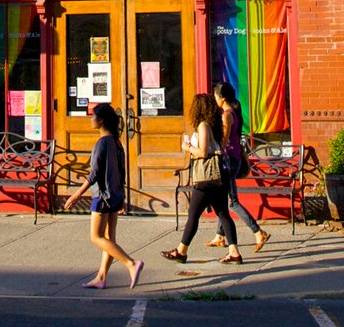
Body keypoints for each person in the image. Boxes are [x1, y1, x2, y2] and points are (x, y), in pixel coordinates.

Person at [64, 102, 143, 289]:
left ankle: (131, 263)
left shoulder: (102, 143)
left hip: (102, 196)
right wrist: (122, 196)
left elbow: (94, 175)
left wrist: (75, 195)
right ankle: (101, 277)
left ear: (100, 120)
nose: (90, 119)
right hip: (115, 194)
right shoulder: (116, 142)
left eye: (93, 116)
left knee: (96, 237)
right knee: (109, 237)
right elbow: (122, 172)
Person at [162, 92, 242, 264]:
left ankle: (181, 251)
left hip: (206, 179)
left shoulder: (203, 126)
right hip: (218, 176)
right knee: (223, 213)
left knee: (193, 215)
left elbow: (204, 152)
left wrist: (188, 147)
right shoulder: (214, 125)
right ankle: (234, 251)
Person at [207, 81, 271, 253]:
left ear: (223, 98)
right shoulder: (233, 112)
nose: (214, 99)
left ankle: (258, 232)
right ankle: (220, 236)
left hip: (229, 160)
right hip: (234, 158)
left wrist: (209, 146)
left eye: (215, 96)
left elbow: (224, 141)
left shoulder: (226, 115)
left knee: (232, 202)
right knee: (223, 197)